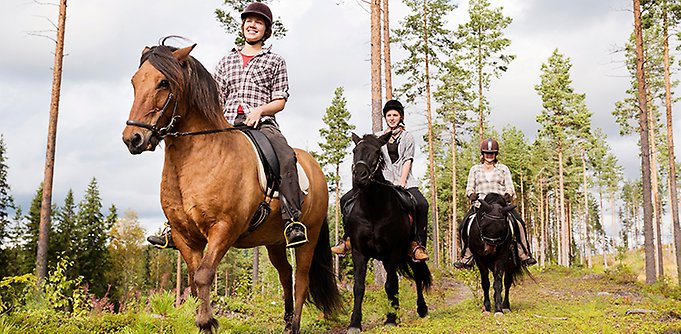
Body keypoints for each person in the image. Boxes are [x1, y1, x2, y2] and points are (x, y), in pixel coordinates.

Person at [148, 2, 307, 249]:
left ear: (266, 30)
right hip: (226, 124)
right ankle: (174, 224)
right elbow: (214, 99)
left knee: (286, 156)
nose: (252, 25)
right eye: (249, 21)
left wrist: (260, 110)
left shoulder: (275, 60)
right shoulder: (226, 61)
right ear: (243, 26)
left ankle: (292, 220)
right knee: (185, 157)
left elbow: (280, 100)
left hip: (262, 124)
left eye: (259, 22)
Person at [331, 100, 429, 261]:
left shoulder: (408, 137)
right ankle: (347, 239)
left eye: (395, 115)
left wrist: (402, 180)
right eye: (389, 115)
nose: (392, 118)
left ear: (401, 117)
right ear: (385, 117)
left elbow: (407, 160)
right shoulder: (376, 137)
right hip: (380, 181)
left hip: (403, 180)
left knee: (421, 204)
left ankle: (416, 244)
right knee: (345, 200)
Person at [453, 138, 537, 269]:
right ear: (482, 153)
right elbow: (469, 188)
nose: (489, 155)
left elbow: (510, 187)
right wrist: (471, 195)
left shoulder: (503, 169)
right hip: (481, 205)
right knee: (464, 225)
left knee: (519, 223)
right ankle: (466, 257)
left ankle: (524, 254)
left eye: (492, 153)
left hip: (500, 206)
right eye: (487, 153)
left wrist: (508, 194)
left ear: (496, 154)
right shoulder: (475, 169)